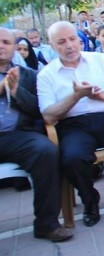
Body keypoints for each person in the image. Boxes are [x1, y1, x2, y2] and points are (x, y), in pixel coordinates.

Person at [37, 21, 104, 227]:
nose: (69, 45)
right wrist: (76, 96)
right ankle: (90, 200)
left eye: (72, 39)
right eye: (61, 42)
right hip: (73, 126)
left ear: (80, 40)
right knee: (72, 158)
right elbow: (48, 116)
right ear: (52, 45)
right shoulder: (46, 75)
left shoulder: (99, 60)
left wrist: (101, 96)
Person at [0, 28, 73, 242]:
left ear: (15, 48)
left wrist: (17, 92)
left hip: (17, 136)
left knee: (45, 151)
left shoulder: (28, 75)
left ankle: (46, 224)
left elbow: (40, 111)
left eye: (6, 42)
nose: (1, 46)